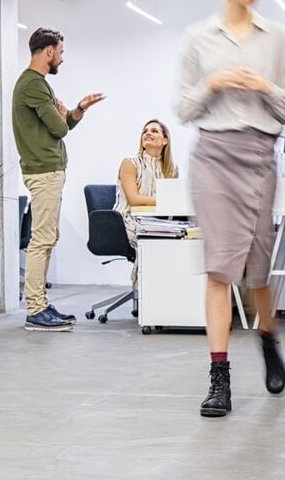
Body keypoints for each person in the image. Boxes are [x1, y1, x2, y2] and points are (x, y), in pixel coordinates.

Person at [175, 0, 285, 419]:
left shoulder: (277, 38)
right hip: (213, 156)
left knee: (257, 272)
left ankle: (268, 337)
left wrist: (262, 85)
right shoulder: (197, 38)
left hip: (259, 156)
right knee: (219, 268)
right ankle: (219, 377)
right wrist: (213, 83)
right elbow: (182, 108)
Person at [11, 28, 104, 332]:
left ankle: (40, 303)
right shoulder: (33, 85)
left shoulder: (38, 85)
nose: (62, 58)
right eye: (61, 52)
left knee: (48, 238)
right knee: (42, 240)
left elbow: (62, 124)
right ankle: (35, 310)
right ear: (49, 51)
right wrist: (61, 115)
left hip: (48, 170)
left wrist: (77, 110)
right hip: (43, 171)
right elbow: (60, 129)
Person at [113, 119, 180, 247]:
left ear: (165, 141)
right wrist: (165, 200)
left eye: (154, 131)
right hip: (128, 221)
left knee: (184, 236)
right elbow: (134, 200)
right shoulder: (130, 163)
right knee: (155, 242)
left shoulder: (172, 169)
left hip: (158, 221)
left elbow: (173, 203)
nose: (148, 133)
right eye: (145, 131)